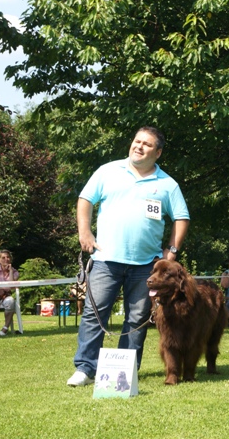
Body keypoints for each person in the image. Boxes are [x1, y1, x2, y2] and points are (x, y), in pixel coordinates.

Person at [67, 126, 190, 387]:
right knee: (94, 314)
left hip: (147, 266)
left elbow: (181, 217)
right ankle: (86, 369)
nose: (139, 146)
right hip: (106, 260)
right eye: (137, 141)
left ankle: (125, 371)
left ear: (157, 152)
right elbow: (85, 199)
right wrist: (85, 231)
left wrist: (173, 250)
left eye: (146, 144)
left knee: (137, 320)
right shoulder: (108, 171)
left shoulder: (168, 184)